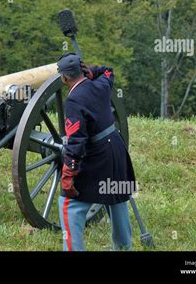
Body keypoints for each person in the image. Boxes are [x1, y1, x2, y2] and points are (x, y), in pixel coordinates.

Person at [56, 52, 136, 251]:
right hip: (116, 148)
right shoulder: (100, 85)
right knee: (116, 196)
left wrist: (69, 173)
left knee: (70, 204)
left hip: (97, 154)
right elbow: (108, 71)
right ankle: (124, 247)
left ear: (64, 77)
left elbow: (76, 140)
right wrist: (92, 71)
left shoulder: (74, 100)